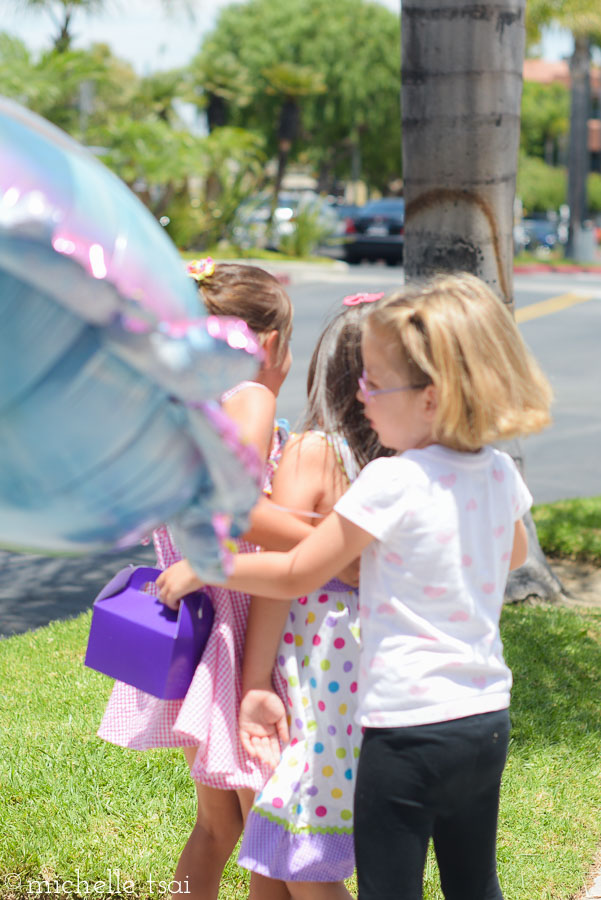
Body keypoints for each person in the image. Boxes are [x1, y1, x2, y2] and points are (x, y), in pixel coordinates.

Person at [158, 272, 553, 900]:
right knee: (475, 884)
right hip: (485, 719)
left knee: (387, 885)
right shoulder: (500, 471)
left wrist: (210, 565)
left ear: (431, 398)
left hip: (405, 727)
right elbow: (513, 552)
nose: (361, 396)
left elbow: (296, 572)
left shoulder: (392, 482)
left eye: (375, 382)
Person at [99, 258, 308, 900]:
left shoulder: (178, 409)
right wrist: (209, 555)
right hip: (241, 641)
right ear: (268, 343)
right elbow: (240, 485)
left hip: (199, 640)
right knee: (266, 829)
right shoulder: (251, 393)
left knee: (215, 826)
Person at [234, 295, 393, 900]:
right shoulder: (409, 462)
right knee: (275, 854)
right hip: (371, 663)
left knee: (302, 848)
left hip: (316, 665)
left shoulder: (311, 453)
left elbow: (286, 576)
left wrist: (253, 683)